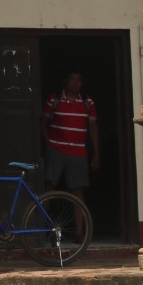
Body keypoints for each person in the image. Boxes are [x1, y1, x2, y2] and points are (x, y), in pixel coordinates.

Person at [42, 71, 99, 206]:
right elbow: (42, 123)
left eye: (79, 80)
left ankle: (81, 228)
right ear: (65, 82)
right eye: (72, 79)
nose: (75, 83)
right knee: (49, 188)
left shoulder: (87, 102)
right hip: (56, 149)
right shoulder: (54, 99)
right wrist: (48, 144)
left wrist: (97, 153)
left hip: (78, 152)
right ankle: (41, 225)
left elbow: (93, 127)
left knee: (78, 192)